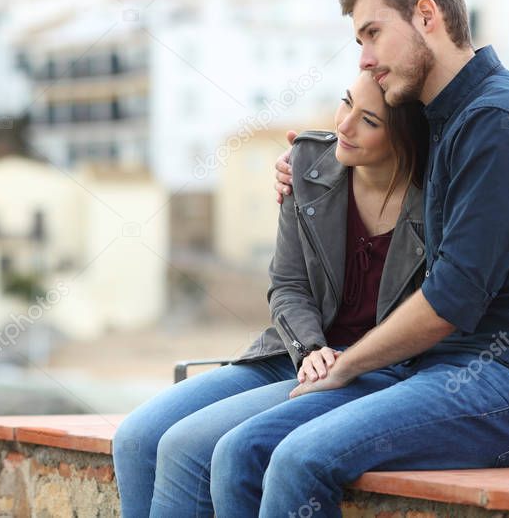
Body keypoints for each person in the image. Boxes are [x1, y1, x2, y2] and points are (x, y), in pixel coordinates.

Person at [238, 0, 509, 517]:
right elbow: (374, 152)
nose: (364, 59)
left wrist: (347, 364)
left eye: (373, 34)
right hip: (436, 371)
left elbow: (451, 299)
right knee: (246, 448)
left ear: (426, 16)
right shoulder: (446, 119)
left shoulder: (498, 121)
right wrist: (304, 166)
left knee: (296, 459)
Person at [112, 70, 430, 516]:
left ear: (406, 140)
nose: (344, 124)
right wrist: (310, 347)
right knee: (137, 437)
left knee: (189, 447)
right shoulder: (309, 165)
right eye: (345, 103)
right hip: (293, 352)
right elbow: (288, 286)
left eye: (369, 121)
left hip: (375, 371)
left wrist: (341, 360)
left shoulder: (439, 199)